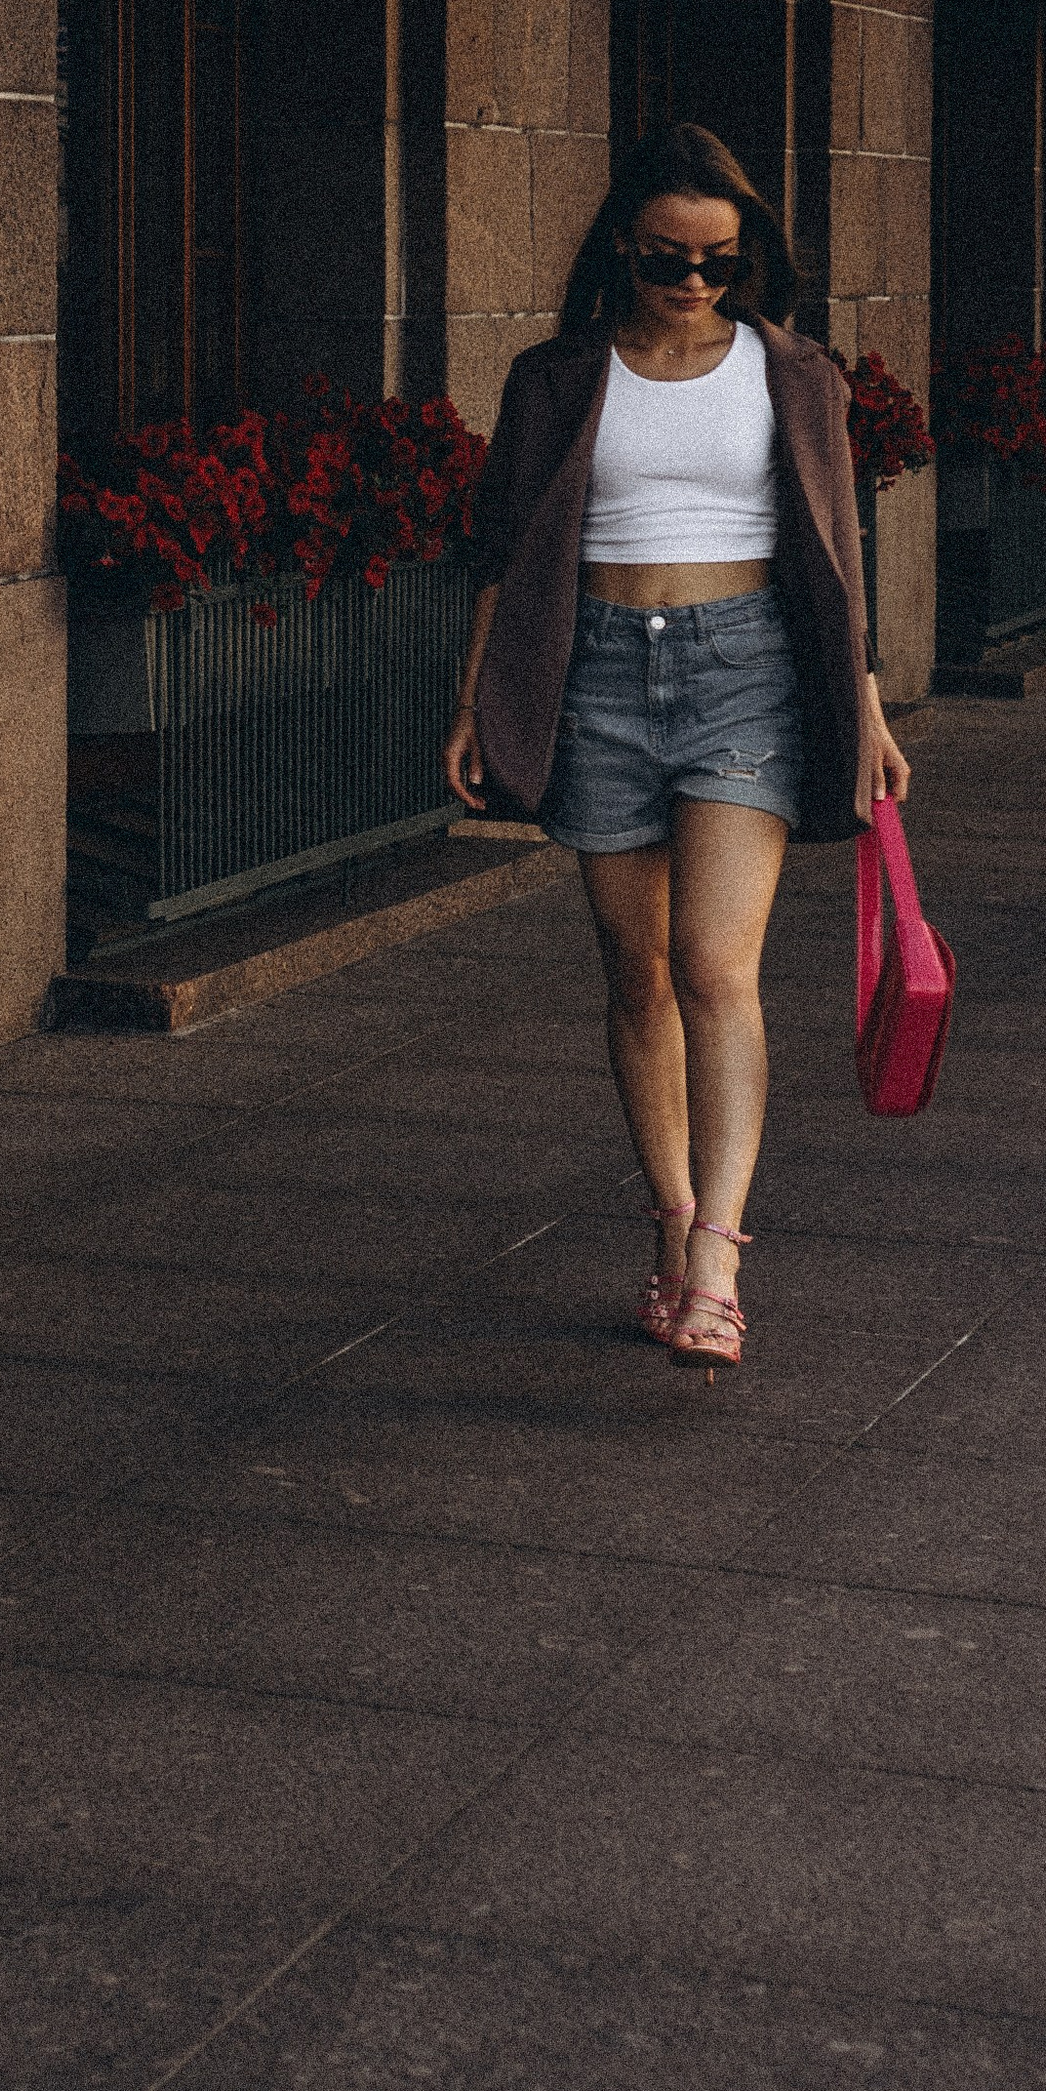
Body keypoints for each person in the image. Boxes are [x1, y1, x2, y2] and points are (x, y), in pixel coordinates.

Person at [443, 121, 910, 1371]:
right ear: (621, 252)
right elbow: (503, 550)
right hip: (594, 673)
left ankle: (718, 1258)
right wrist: (477, 696)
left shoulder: (794, 375)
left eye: (719, 260)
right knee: (634, 971)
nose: (697, 283)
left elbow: (834, 554)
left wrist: (859, 705)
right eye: (669, 261)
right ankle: (667, 1219)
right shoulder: (554, 379)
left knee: (714, 966)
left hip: (743, 671)